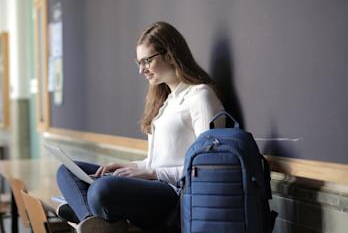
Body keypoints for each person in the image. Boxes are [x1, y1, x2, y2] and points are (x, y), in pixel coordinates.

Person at [56, 21, 225, 231]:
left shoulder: (200, 96)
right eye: (138, 62)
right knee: (67, 170)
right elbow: (158, 160)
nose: (141, 70)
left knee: (102, 188)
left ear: (171, 54)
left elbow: (209, 168)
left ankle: (88, 212)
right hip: (154, 184)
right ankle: (93, 220)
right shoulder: (167, 100)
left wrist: (153, 174)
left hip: (175, 194)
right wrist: (132, 167)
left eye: (146, 61)